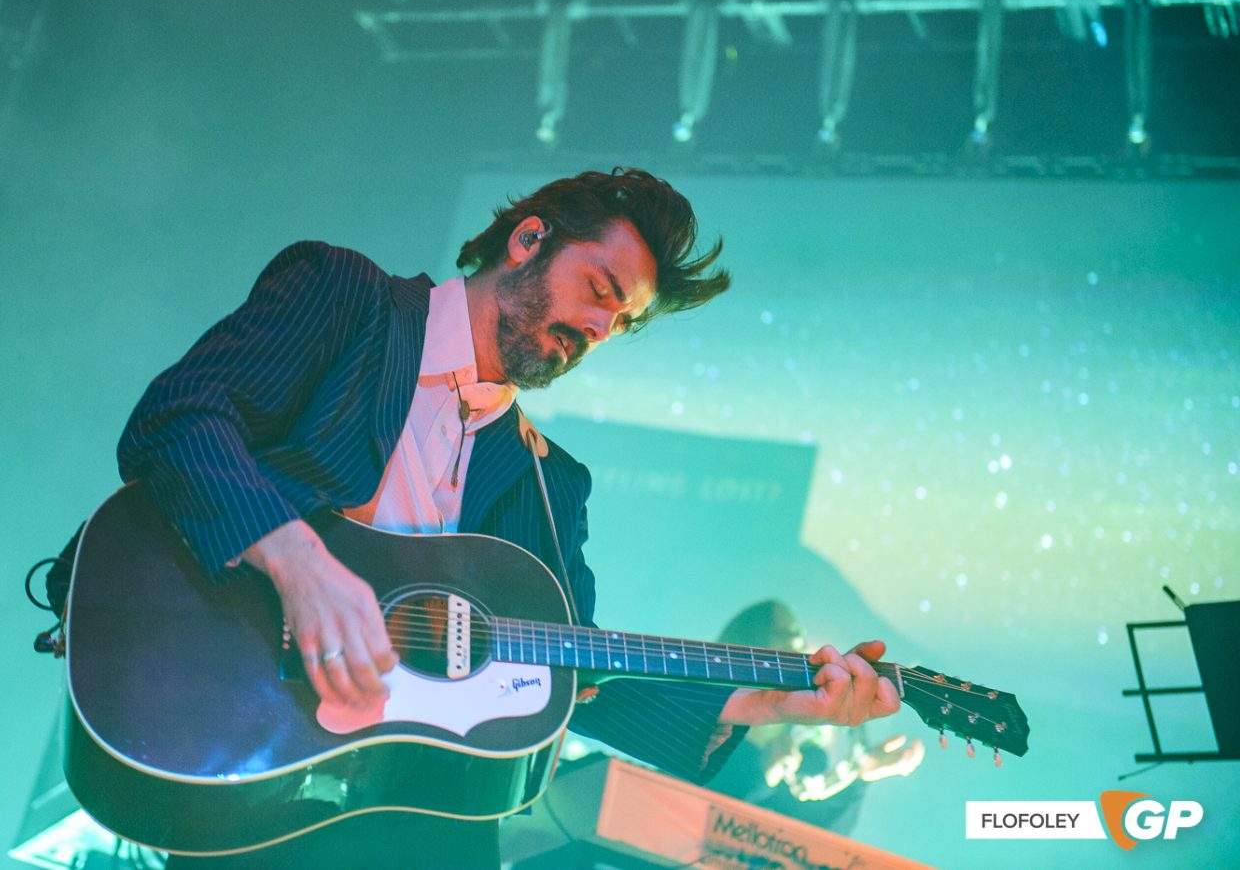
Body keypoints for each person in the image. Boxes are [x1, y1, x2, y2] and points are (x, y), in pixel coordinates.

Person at [115, 168, 901, 867]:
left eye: (620, 324)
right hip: (246, 744)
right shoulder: (349, 299)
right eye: (600, 290)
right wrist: (299, 562)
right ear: (528, 240)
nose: (599, 331)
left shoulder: (551, 485)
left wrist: (766, 702)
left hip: (422, 817)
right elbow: (179, 417)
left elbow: (568, 676)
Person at [707, 601, 925, 837]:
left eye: (800, 635)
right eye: (787, 634)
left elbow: (817, 844)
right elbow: (682, 813)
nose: (801, 645)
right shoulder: (703, 728)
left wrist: (860, 776)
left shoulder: (805, 752)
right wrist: (761, 774)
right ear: (750, 644)